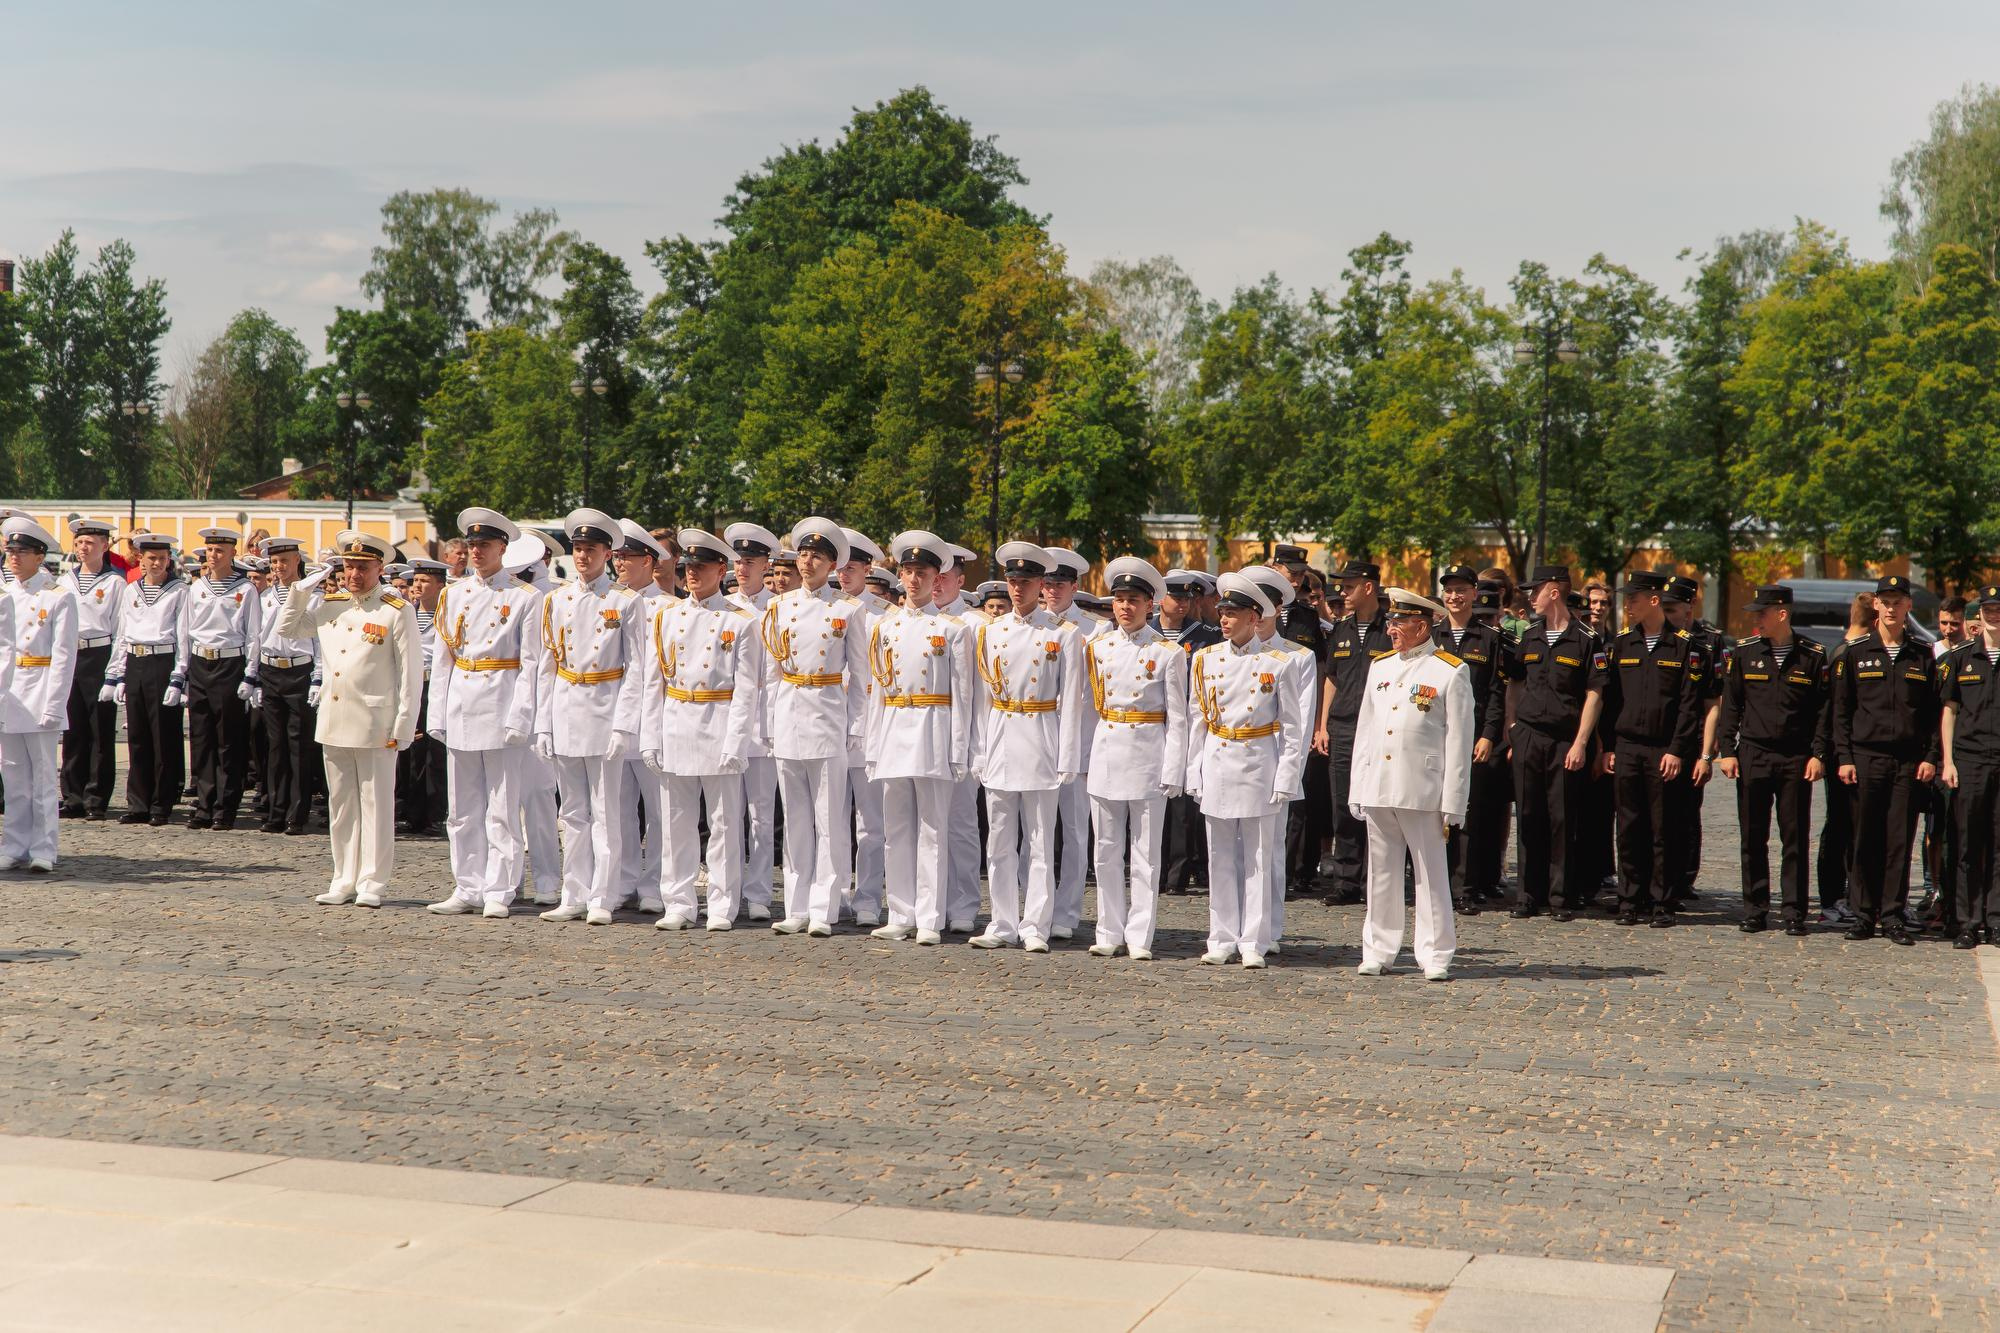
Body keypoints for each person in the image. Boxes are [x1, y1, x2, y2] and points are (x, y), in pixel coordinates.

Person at [275, 531, 420, 907]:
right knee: (341, 806)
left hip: (375, 720)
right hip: (335, 717)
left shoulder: (395, 609)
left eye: (362, 567)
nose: (353, 574)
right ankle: (343, 877)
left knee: (376, 804)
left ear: (380, 569)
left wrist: (405, 724)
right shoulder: (330, 605)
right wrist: (299, 592)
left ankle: (372, 881)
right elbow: (288, 629)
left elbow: (410, 673)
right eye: (348, 566)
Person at [641, 529, 764, 931]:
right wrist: (650, 736)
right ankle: (678, 902)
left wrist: (737, 740)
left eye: (702, 567)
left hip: (718, 721)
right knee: (676, 822)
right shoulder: (667, 615)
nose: (692, 574)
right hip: (677, 720)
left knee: (724, 824)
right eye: (689, 566)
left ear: (721, 570)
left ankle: (723, 904)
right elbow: (653, 682)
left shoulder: (740, 622)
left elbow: (747, 689)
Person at [1349, 588, 1474, 980]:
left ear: (1421, 625)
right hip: (1381, 785)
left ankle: (1435, 953)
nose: (1390, 630)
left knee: (1430, 874)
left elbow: (1458, 741)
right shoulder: (1381, 667)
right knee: (1381, 872)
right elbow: (1365, 732)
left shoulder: (1450, 670)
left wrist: (1454, 801)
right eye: (1390, 622)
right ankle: (1379, 949)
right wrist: (1358, 786)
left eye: (1397, 623)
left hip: (1424, 788)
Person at [426, 509, 544, 919]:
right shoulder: (452, 594)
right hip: (462, 700)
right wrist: (436, 712)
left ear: (503, 549)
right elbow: (444, 660)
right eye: (472, 545)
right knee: (461, 808)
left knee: (502, 807)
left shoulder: (524, 598)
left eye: (485, 545)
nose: (477, 552)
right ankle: (467, 884)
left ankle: (500, 887)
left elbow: (531, 663)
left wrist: (520, 716)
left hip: (501, 699)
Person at [1186, 573, 1307, 968]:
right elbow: (1196, 719)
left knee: (1257, 857)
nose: (1224, 620)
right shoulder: (1205, 659)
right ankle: (1221, 935)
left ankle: (1253, 938)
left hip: (1258, 759)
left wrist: (1287, 776)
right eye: (1222, 612)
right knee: (1220, 856)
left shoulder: (1280, 663)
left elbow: (1292, 726)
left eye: (1233, 614)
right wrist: (1194, 770)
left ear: (1255, 618)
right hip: (1219, 757)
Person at [969, 542, 1086, 952]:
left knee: (1039, 840)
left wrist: (1067, 755)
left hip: (1041, 734)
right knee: (999, 839)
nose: (1018, 589)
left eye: (1027, 582)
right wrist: (978, 750)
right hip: (1001, 733)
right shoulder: (991, 631)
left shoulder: (1064, 635)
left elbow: (1072, 700)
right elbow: (981, 700)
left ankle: (1036, 922)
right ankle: (1002, 921)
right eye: (1013, 581)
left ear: (1041, 584)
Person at [532, 509, 647, 926]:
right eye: (578, 549)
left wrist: (624, 723)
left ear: (608, 554)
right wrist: (542, 722)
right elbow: (546, 666)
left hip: (605, 707)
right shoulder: (556, 599)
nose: (582, 556)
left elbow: (637, 667)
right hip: (566, 707)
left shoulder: (625, 602)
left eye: (590, 549)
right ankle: (573, 892)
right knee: (573, 812)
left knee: (607, 812)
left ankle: (604, 893)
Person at [863, 530, 975, 944]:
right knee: (896, 828)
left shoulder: (952, 629)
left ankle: (929, 914)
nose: (913, 579)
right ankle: (901, 911)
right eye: (907, 571)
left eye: (922, 572)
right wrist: (872, 745)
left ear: (938, 577)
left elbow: (962, 696)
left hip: (933, 729)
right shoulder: (883, 626)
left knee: (933, 828)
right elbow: (877, 690)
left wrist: (959, 748)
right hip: (894, 726)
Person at [1082, 556, 1189, 960]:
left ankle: (1140, 934)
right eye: (1120, 599)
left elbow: (1179, 717)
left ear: (1151, 605)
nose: (1125, 607)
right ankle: (1108, 930)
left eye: (1134, 600)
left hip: (1147, 754)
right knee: (1106, 850)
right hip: (1108, 750)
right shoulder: (1099, 648)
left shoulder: (1167, 652)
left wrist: (1174, 767)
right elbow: (1089, 709)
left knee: (1145, 855)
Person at [763, 517, 866, 936]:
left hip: (827, 714)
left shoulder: (847, 610)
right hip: (789, 712)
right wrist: (769, 723)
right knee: (796, 818)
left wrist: (855, 727)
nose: (806, 562)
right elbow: (771, 673)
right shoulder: (778, 607)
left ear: (831, 566)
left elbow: (860, 677)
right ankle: (797, 904)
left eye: (816, 557)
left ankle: (825, 905)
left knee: (830, 819)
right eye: (803, 555)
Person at [1715, 585, 1829, 936]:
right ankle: (1755, 908)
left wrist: (1818, 754)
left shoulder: (1812, 655)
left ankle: (1794, 911)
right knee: (1753, 836)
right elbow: (1730, 705)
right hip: (1754, 754)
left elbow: (1824, 709)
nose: (1756, 619)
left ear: (1782, 613)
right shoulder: (1745, 653)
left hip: (1795, 757)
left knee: (1794, 837)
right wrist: (1727, 751)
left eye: (1761, 613)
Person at [1831, 574, 1939, 944]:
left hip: (1907, 762)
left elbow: (1933, 714)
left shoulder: (1921, 656)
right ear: (1875, 605)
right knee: (1863, 840)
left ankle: (1892, 915)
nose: (1891, 608)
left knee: (1899, 842)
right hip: (1866, 757)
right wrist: (1843, 757)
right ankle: (1862, 914)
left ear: (1909, 606)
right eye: (1885, 601)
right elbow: (1841, 712)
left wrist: (1931, 756)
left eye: (1898, 601)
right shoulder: (1857, 653)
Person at [1599, 570, 1708, 927]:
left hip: (1664, 748)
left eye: (1634, 598)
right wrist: (1609, 747)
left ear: (1654, 601)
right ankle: (1631, 899)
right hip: (1628, 746)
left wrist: (1678, 750)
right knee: (1628, 828)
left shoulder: (1684, 646)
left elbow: (1689, 705)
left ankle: (1662, 901)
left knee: (1664, 828)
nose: (1627, 604)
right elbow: (1611, 701)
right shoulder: (1622, 644)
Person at [1501, 566, 1605, 920]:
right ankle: (1527, 895)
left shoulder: (1586, 639)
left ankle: (1560, 896)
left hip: (1564, 739)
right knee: (1528, 814)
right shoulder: (1529, 636)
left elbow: (1594, 694)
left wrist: (1581, 743)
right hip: (1529, 734)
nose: (1531, 598)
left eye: (1536, 591)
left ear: (1555, 592)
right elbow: (1514, 683)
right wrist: (1512, 726)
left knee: (1561, 818)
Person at [0, 517, 79, 871]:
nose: (12, 558)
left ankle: (44, 849)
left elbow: (64, 657)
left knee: (44, 778)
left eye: (20, 552)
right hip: (11, 693)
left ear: (39, 555)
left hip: (41, 688)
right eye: (10, 551)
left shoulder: (58, 596)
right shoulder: (7, 594)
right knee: (13, 776)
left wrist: (55, 704)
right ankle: (14, 844)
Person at [1314, 559, 1391, 905]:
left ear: (1369, 587)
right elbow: (1331, 678)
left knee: (1377, 805)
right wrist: (1322, 725)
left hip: (1378, 730)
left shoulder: (1390, 628)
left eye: (1349, 586)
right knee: (1343, 805)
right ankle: (1346, 881)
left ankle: (1375, 880)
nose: (1342, 592)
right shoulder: (1341, 629)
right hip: (1343, 727)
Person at [1433, 564, 1508, 914]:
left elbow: (1496, 693)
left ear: (1475, 594)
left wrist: (1490, 735)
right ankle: (1435, 885)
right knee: (1435, 812)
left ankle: (1464, 887)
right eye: (1449, 590)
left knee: (1468, 813)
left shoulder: (1490, 639)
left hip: (1472, 739)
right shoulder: (1433, 637)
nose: (1454, 596)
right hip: (1435, 738)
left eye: (1462, 590)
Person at [101, 533, 188, 825]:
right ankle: (138, 802)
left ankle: (161, 803)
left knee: (163, 735)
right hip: (137, 660)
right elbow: (122, 634)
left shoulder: (179, 590)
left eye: (163, 558)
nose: (158, 563)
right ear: (141, 559)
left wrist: (179, 675)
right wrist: (117, 674)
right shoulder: (131, 590)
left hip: (163, 660)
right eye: (152, 558)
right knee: (137, 736)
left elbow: (182, 635)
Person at [179, 528, 261, 830]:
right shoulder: (196, 588)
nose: (213, 556)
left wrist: (251, 674)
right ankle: (203, 803)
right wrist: (182, 672)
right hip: (201, 663)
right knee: (201, 738)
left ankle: (225, 806)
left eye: (220, 551)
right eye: (210, 550)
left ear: (232, 554)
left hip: (229, 663)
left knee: (228, 739)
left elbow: (254, 634)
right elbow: (185, 632)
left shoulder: (245, 589)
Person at [610, 521, 671, 911]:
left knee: (660, 810)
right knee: (618, 809)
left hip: (656, 716)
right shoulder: (610, 601)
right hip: (616, 712)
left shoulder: (669, 606)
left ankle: (656, 884)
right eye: (617, 557)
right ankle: (623, 879)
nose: (620, 564)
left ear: (648, 561)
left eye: (627, 557)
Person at [725, 521, 782, 920]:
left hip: (764, 719)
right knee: (727, 813)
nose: (742, 569)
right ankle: (726, 890)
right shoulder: (723, 606)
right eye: (739, 561)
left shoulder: (781, 608)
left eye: (751, 561)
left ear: (767, 565)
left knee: (762, 813)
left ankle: (759, 892)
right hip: (726, 717)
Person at [1939, 585, 2000, 950]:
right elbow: (1949, 711)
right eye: (1988, 609)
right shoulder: (1962, 657)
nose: (1993, 615)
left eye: (1998, 608)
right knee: (1966, 844)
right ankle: (1967, 921)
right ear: (1979, 614)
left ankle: (1995, 920)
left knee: (1998, 844)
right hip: (1970, 759)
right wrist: (1947, 761)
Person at [1041, 545, 1095, 939]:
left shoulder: (1095, 629)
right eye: (1048, 583)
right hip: (1038, 734)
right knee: (1037, 830)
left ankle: (1067, 911)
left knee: (1075, 828)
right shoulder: (1034, 625)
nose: (1052, 590)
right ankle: (1035, 906)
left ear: (1074, 586)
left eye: (1060, 583)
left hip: (1080, 737)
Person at [1270, 545, 1330, 896]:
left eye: (1299, 572)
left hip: (1294, 718)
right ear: (1274, 567)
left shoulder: (1307, 617)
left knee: (1294, 800)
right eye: (1289, 569)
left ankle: (1291, 872)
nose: (1295, 576)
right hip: (1258, 720)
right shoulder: (1255, 611)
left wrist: (1315, 725)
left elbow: (1321, 671)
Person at [1663, 575, 1725, 905]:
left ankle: (1685, 875)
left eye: (1672, 609)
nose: (1667, 614)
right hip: (1664, 734)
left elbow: (1715, 696)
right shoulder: (1659, 637)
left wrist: (1709, 745)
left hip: (1695, 735)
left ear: (1689, 608)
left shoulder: (1709, 640)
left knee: (1688, 811)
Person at [1157, 569, 1220, 895]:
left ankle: (1177, 877)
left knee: (1183, 805)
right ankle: (1155, 870)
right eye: (1176, 597)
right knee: (1153, 801)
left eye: (1188, 598)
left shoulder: (1206, 635)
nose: (1183, 604)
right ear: (1160, 599)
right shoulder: (1148, 631)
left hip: (1188, 720)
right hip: (1152, 721)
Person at [253, 537, 320, 835]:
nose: (279, 567)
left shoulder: (312, 596)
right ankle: (276, 811)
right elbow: (255, 638)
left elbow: (319, 643)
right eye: (275, 562)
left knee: (298, 745)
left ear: (298, 562)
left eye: (285, 561)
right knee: (275, 744)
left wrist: (318, 678)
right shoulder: (266, 596)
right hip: (270, 670)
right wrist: (253, 677)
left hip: (298, 672)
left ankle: (297, 813)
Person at [840, 527, 889, 928]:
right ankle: (834, 892)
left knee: (869, 822)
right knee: (829, 818)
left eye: (852, 567)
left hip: (868, 724)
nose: (843, 574)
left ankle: (868, 896)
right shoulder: (824, 606)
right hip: (825, 722)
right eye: (839, 567)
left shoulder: (883, 617)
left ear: (868, 569)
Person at [1817, 593, 1876, 923]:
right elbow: (1834, 711)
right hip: (1843, 753)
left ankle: (1852, 893)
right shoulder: (1846, 654)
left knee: (1851, 826)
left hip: (1850, 752)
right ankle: (1832, 896)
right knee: (1840, 826)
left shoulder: (1844, 650)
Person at [59, 518, 121, 821]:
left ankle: (96, 797)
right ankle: (72, 795)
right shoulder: (65, 580)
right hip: (71, 654)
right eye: (80, 542)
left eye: (90, 543)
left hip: (99, 654)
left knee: (99, 731)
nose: (84, 548)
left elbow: (120, 629)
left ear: (104, 546)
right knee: (72, 729)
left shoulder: (115, 582)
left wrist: (114, 671)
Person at [396, 558, 450, 837]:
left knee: (436, 751)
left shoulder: (448, 613)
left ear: (441, 584)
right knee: (414, 750)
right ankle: (413, 812)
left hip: (438, 685)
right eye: (416, 581)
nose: (418, 586)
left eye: (425, 581)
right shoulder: (408, 612)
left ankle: (435, 813)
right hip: (414, 684)